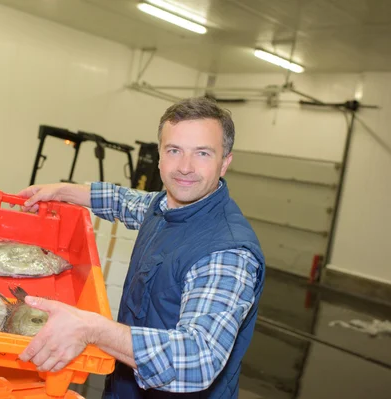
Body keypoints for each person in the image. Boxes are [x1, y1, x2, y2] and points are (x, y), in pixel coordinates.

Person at [16, 97, 265, 398]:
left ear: (225, 162)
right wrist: (64, 190)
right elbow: (126, 201)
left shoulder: (226, 253)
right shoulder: (165, 206)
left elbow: (198, 359)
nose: (185, 167)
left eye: (202, 153)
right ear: (160, 156)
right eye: (174, 151)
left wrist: (94, 329)